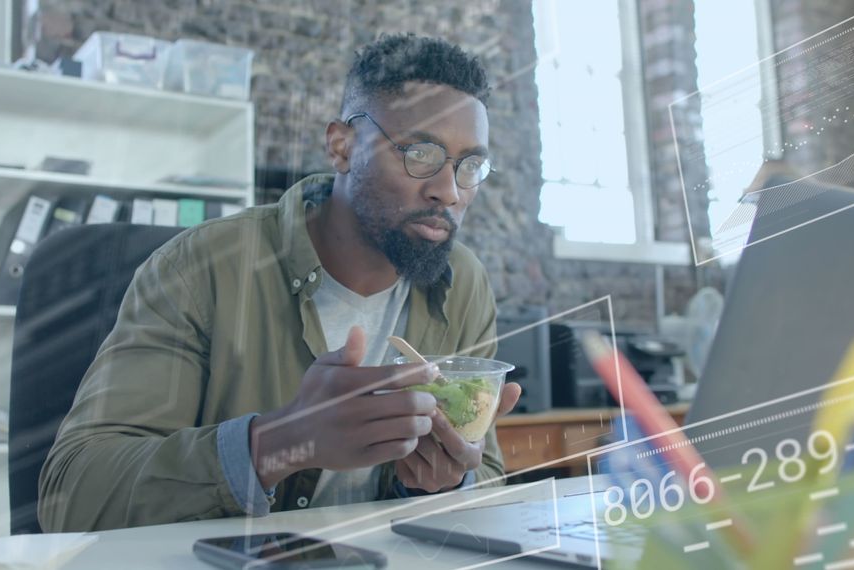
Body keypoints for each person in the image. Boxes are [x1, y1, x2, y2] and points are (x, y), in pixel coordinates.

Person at [39, 33, 522, 532]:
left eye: (470, 167)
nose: (448, 191)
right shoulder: (199, 268)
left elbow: (482, 472)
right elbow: (71, 494)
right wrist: (275, 443)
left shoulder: (461, 283)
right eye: (421, 154)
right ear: (342, 146)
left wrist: (442, 483)